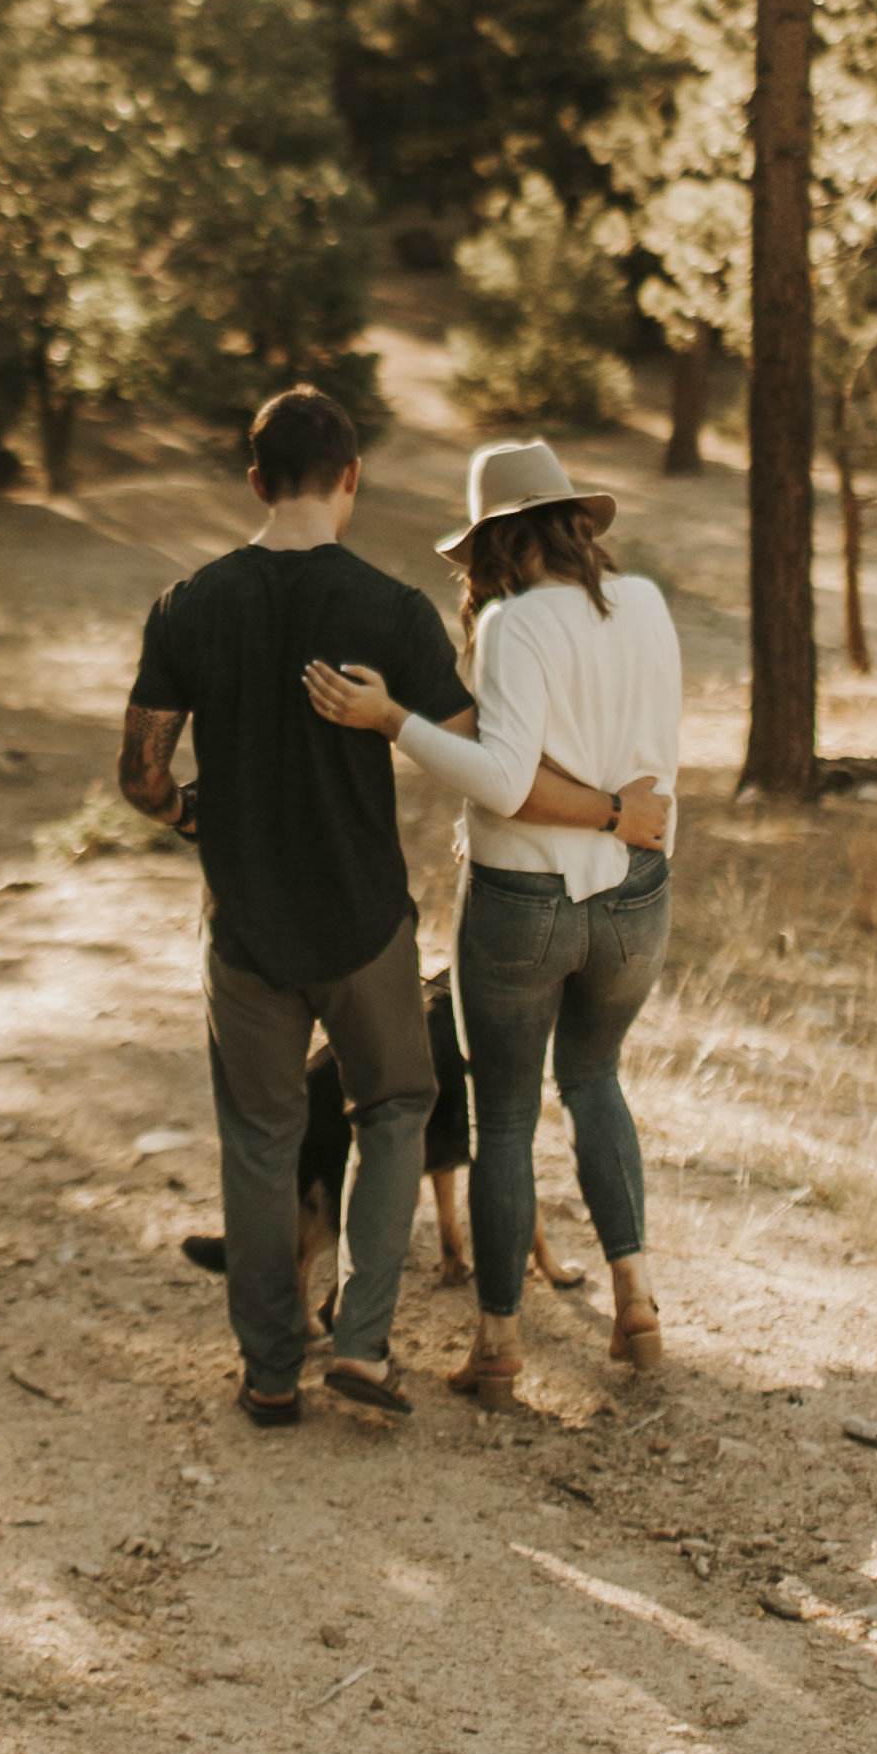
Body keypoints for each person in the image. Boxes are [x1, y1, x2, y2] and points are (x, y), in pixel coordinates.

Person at [117, 386, 666, 1429]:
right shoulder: (392, 611)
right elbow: (496, 764)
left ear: (252, 481)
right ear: (352, 480)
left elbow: (140, 778)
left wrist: (195, 814)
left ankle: (271, 1368)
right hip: (366, 920)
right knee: (397, 1111)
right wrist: (608, 811)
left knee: (261, 1136)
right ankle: (363, 1343)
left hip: (244, 928)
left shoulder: (187, 605)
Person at [303, 436, 682, 1410]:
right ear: (569, 522)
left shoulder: (514, 627)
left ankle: (499, 1346)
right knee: (597, 1081)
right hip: (638, 886)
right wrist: (610, 814)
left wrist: (392, 722)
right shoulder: (641, 603)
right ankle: (635, 1297)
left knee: (504, 1118)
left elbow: (506, 783)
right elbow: (648, 762)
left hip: (522, 900)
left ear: (499, 542)